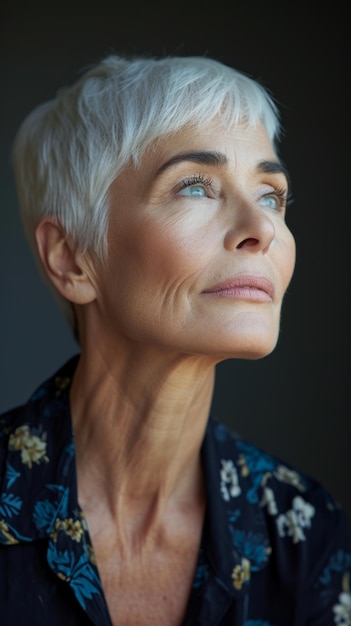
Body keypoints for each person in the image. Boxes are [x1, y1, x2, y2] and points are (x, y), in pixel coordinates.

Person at [0, 53, 350, 626]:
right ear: (72, 259)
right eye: (196, 186)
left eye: (271, 195)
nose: (263, 228)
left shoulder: (306, 531)